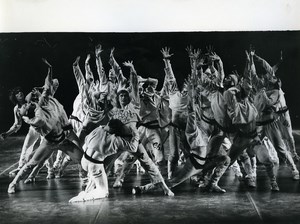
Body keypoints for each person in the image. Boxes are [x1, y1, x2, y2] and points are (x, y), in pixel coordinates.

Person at [8, 59, 86, 194]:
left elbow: (47, 84)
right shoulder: (36, 119)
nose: (27, 103)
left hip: (62, 140)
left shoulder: (43, 102)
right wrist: (36, 97)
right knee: (31, 164)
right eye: (26, 105)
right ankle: (13, 183)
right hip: (49, 143)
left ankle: (85, 182)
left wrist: (49, 69)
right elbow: (33, 115)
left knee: (83, 160)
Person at [69, 119, 139, 202]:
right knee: (104, 192)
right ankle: (83, 198)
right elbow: (133, 148)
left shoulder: (98, 129)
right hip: (95, 165)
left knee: (94, 178)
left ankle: (86, 192)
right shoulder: (116, 140)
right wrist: (136, 135)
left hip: (84, 160)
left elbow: (87, 140)